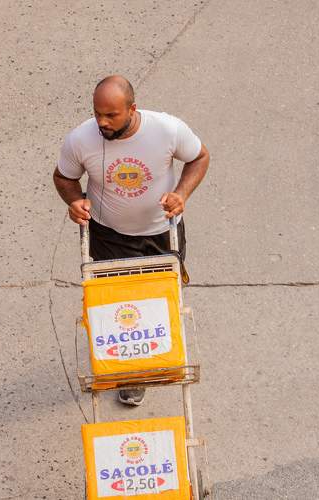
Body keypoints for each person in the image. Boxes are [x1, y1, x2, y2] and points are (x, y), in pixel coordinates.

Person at [53, 75, 209, 406]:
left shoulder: (167, 130)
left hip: (161, 232)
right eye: (97, 113)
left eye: (111, 115)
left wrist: (181, 194)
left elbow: (199, 157)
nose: (102, 122)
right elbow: (64, 177)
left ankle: (157, 358)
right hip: (109, 234)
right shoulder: (80, 140)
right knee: (119, 305)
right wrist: (74, 201)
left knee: (158, 301)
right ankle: (131, 375)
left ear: (132, 109)